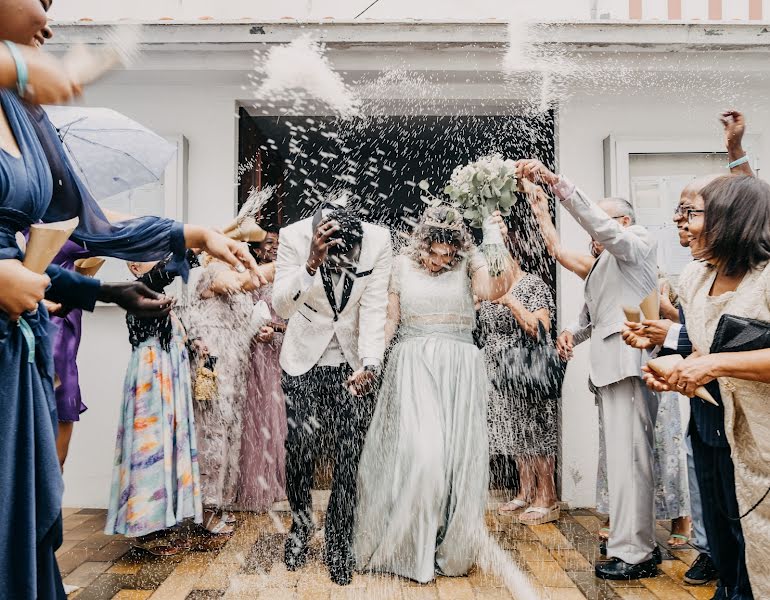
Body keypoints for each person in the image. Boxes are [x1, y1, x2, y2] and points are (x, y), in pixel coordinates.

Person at [0, 5, 259, 596]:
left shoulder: (26, 111)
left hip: (17, 350)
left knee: (26, 518)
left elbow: (86, 224)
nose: (47, 20)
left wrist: (188, 237)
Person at [353, 205, 515, 583]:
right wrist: (371, 361)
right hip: (412, 368)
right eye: (432, 253)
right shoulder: (398, 265)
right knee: (425, 460)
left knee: (459, 465)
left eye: (447, 254)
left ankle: (448, 546)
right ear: (419, 243)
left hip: (459, 369)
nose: (439, 261)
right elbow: (390, 320)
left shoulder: (468, 263)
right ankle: (410, 548)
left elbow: (492, 290)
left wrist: (492, 243)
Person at [517, 159, 660, 580]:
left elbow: (605, 230)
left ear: (624, 219)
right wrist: (571, 335)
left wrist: (558, 185)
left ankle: (637, 553)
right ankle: (626, 545)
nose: (593, 231)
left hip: (629, 365)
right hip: (608, 369)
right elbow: (599, 314)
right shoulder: (605, 264)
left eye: (602, 219)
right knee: (620, 462)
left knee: (632, 461)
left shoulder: (638, 241)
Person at [641, 174, 770, 598]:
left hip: (763, 437)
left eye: (693, 214)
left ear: (732, 221)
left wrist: (710, 363)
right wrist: (678, 370)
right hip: (717, 426)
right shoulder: (695, 280)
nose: (683, 224)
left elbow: (720, 357)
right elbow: (706, 346)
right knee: (724, 532)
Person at [273, 203, 392, 586]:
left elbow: (374, 310)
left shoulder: (379, 241)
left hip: (352, 364)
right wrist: (309, 264)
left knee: (348, 456)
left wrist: (371, 364)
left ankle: (339, 543)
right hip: (302, 362)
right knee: (301, 450)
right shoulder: (293, 238)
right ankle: (300, 527)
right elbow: (281, 306)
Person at [104, 253, 203, 553]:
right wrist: (188, 250)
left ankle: (162, 521)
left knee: (166, 446)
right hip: (150, 377)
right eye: (151, 259)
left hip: (167, 375)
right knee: (149, 446)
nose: (159, 263)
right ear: (135, 267)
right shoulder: (139, 288)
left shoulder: (155, 292)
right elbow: (164, 272)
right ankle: (144, 528)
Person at [475, 202, 558, 524]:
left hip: (526, 366)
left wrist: (509, 300)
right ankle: (525, 492)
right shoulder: (488, 286)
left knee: (537, 433)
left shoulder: (531, 284)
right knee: (515, 432)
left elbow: (540, 329)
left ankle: (547, 498)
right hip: (497, 368)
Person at [236, 228, 288, 512]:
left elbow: (299, 321)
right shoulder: (249, 279)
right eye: (269, 244)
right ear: (256, 249)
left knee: (275, 416)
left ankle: (276, 480)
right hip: (253, 355)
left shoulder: (284, 280)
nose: (275, 248)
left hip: (278, 355)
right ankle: (255, 484)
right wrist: (255, 330)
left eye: (278, 244)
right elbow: (238, 315)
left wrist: (275, 328)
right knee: (255, 416)